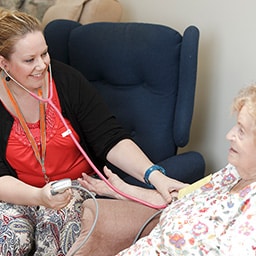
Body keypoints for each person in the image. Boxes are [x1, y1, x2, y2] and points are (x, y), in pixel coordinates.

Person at [0, 8, 186, 256]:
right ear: (3, 63)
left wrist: (154, 175)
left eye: (45, 54)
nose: (42, 65)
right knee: (12, 236)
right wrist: (38, 197)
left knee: (55, 232)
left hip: (72, 189)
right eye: (29, 60)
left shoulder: (67, 81)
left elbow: (110, 138)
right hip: (19, 192)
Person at [71, 84, 256, 255]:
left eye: (241, 131)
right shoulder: (232, 173)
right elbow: (180, 199)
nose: (229, 135)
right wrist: (122, 190)